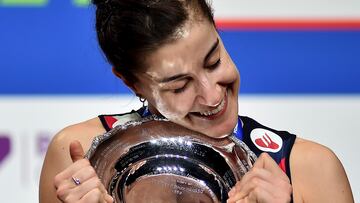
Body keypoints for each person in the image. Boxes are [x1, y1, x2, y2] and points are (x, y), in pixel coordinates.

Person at [39, 0, 354, 202]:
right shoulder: (83, 164)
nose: (213, 95)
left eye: (214, 60)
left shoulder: (308, 169)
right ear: (131, 82)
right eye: (179, 86)